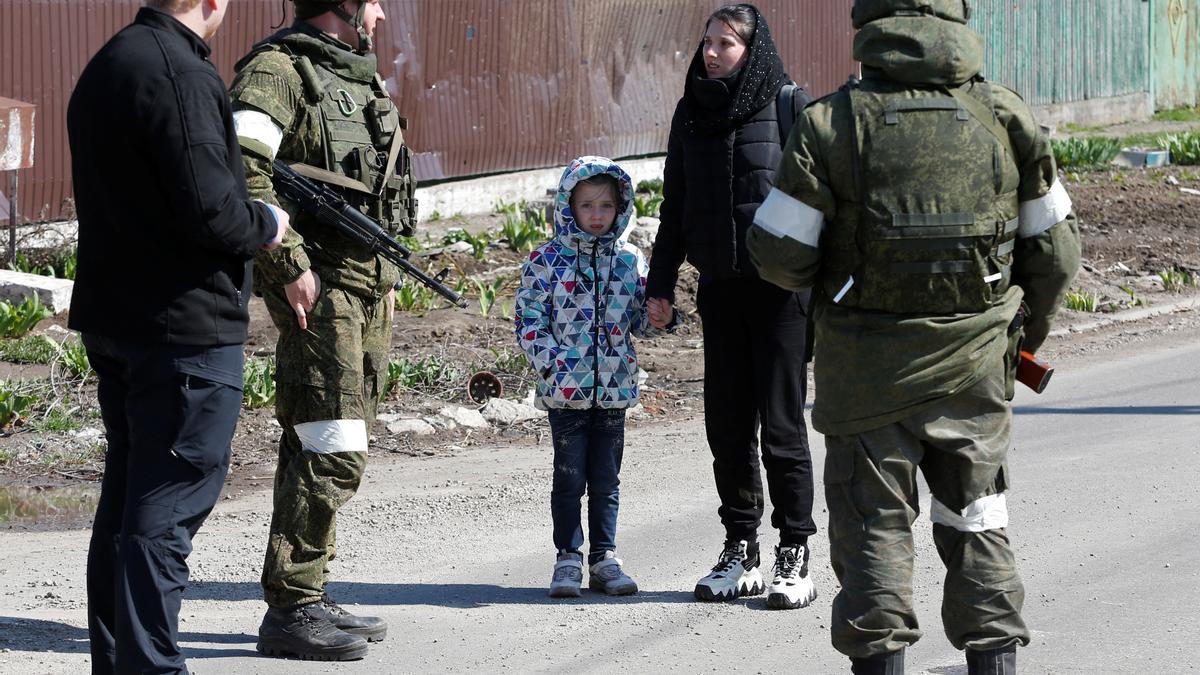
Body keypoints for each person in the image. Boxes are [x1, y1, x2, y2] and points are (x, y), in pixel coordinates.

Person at [745, 1, 1082, 673]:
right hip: (977, 372)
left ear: (868, 20)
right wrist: (1018, 337)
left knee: (874, 532)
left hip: (864, 377)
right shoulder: (1006, 116)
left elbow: (778, 253)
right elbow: (1058, 254)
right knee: (977, 522)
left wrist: (836, 287)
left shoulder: (829, 123)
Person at [66, 0, 289, 671]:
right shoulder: (181, 75)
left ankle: (121, 659)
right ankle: (151, 664)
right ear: (212, 1)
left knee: (132, 499)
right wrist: (268, 221)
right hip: (181, 330)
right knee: (165, 504)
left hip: (120, 318)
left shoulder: (110, 62)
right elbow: (214, 212)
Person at [228, 0, 415, 661]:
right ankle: (291, 611)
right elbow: (243, 173)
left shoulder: (355, 73)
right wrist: (290, 263)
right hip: (319, 284)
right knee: (333, 440)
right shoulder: (277, 71)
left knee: (323, 433)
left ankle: (304, 588)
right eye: (371, 3)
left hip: (369, 285)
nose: (382, 14)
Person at [645, 3, 818, 610]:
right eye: (708, 41)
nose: (712, 52)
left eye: (727, 43)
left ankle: (794, 549)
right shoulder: (692, 113)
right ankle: (740, 547)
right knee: (726, 426)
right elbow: (675, 206)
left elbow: (822, 204)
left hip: (781, 295)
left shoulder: (791, 107)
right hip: (719, 289)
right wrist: (660, 285)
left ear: (753, 49)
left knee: (782, 427)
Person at [516, 156, 660, 598]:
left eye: (606, 206)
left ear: (621, 208)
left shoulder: (629, 260)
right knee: (569, 477)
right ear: (568, 207)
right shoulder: (545, 261)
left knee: (605, 480)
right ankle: (568, 557)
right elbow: (528, 321)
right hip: (565, 395)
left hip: (615, 389)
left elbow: (641, 321)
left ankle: (605, 558)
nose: (597, 215)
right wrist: (554, 364)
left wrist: (659, 315)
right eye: (587, 205)